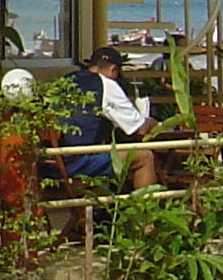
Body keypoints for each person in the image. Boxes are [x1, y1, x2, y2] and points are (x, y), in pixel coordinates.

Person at [58, 47, 157, 189]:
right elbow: (139, 130)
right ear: (113, 70)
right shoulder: (105, 85)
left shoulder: (66, 80)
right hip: (76, 161)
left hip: (52, 161)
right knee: (144, 157)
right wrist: (154, 123)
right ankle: (146, 209)